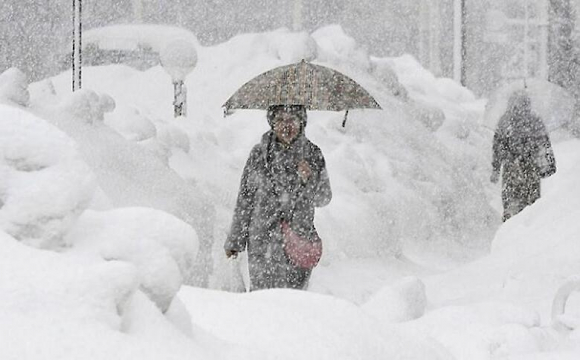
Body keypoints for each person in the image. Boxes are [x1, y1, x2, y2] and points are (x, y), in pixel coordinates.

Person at [224, 104, 332, 291]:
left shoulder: (313, 154)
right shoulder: (259, 154)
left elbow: (324, 198)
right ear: (271, 123)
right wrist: (235, 241)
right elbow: (245, 199)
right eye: (280, 120)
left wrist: (310, 179)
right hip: (262, 242)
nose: (286, 125)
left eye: (292, 120)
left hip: (298, 240)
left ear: (302, 122)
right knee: (262, 301)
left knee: (294, 303)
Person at [491, 90, 555, 221]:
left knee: (511, 202)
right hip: (531, 168)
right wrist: (549, 164)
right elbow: (544, 144)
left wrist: (496, 168)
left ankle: (510, 227)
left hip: (511, 169)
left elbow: (497, 147)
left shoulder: (505, 121)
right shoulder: (535, 120)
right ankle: (529, 228)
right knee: (532, 203)